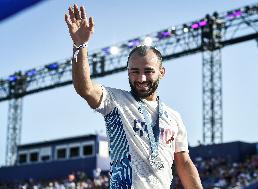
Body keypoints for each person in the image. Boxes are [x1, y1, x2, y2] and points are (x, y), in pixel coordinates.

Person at [65, 4, 203, 189]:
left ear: (162, 72)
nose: (141, 78)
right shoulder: (115, 100)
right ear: (128, 72)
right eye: (135, 71)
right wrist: (79, 46)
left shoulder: (174, 117)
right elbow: (85, 88)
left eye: (148, 71)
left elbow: (184, 163)